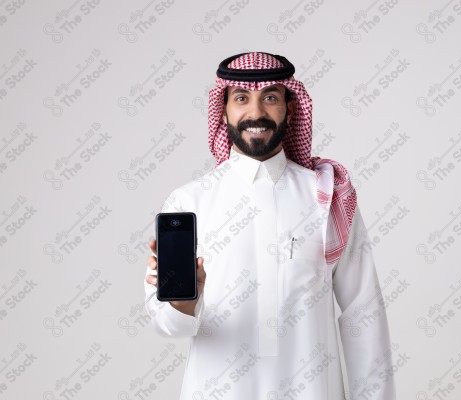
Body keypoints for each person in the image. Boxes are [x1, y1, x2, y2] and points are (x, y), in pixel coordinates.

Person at [144, 52, 396, 400]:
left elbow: (363, 314)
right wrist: (184, 303)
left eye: (271, 98)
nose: (256, 113)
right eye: (242, 99)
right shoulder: (189, 202)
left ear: (290, 109)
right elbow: (165, 325)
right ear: (224, 110)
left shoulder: (326, 195)